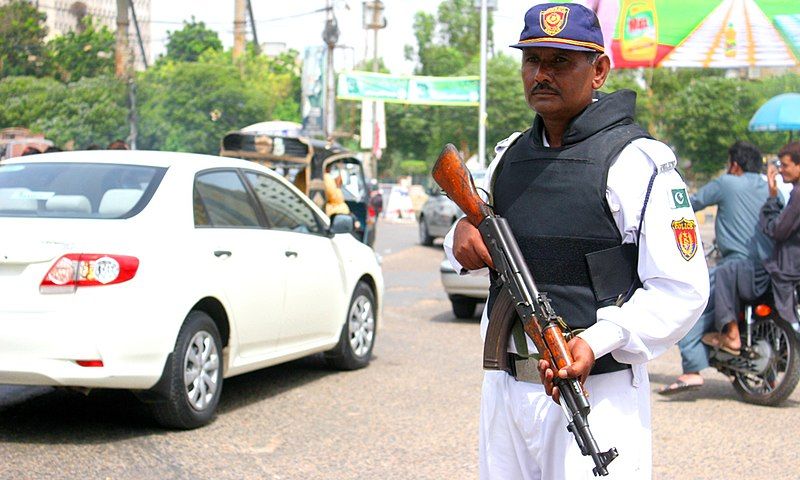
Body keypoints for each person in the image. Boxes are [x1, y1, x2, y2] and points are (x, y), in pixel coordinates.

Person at [443, 4, 708, 478]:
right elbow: (468, 234)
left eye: (560, 62)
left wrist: (596, 341)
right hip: (506, 390)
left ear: (600, 70)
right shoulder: (508, 156)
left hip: (598, 392)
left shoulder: (638, 161)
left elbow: (681, 288)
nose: (541, 74)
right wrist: (461, 233)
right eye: (532, 61)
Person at [661, 141, 771, 394]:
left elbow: (690, 204)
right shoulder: (768, 186)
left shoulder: (726, 183)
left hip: (734, 265)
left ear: (734, 164)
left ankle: (691, 371)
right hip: (765, 269)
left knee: (691, 303)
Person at [760, 142, 800, 331]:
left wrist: (772, 197)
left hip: (789, 270)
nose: (780, 170)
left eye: (785, 165)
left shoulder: (798, 195)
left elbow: (778, 230)